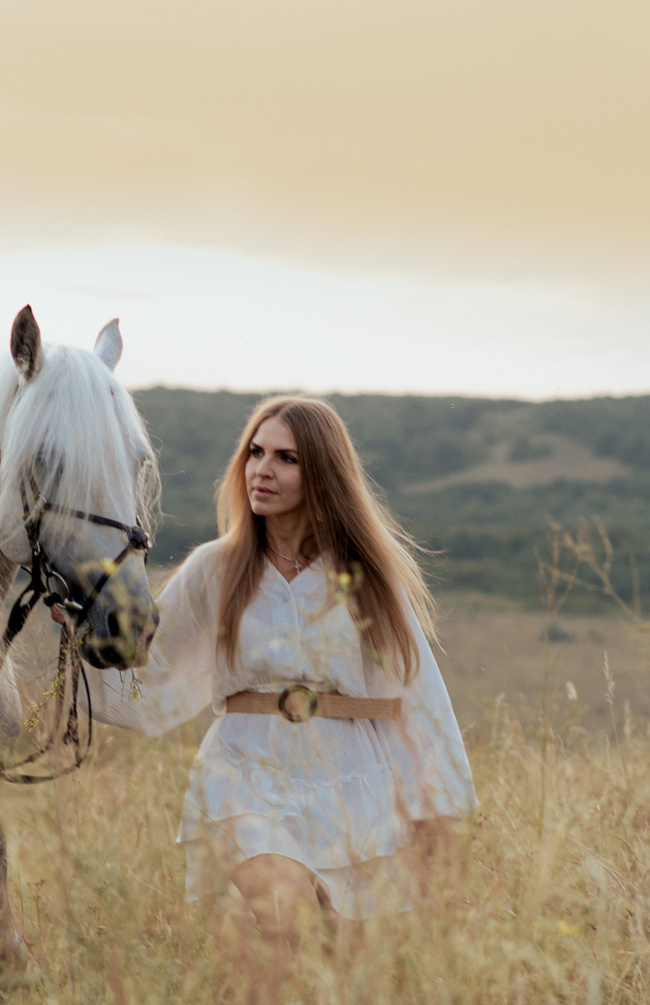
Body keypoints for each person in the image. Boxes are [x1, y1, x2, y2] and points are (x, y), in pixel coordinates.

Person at [87, 396, 476, 940]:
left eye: (286, 458)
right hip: (243, 771)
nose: (262, 469)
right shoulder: (214, 569)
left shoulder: (364, 576)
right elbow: (145, 671)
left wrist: (435, 809)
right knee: (290, 923)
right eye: (255, 452)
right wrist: (80, 644)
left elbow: (416, 696)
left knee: (343, 956)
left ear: (321, 474)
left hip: (350, 776)